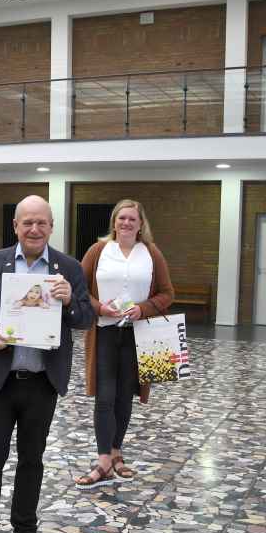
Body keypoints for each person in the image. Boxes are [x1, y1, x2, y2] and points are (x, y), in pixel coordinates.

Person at [0, 195, 92, 533]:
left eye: (41, 223)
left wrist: (69, 303)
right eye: (27, 222)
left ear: (51, 226)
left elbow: (86, 318)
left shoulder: (69, 268)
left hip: (41, 383)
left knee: (32, 460)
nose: (34, 229)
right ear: (15, 226)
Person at [76, 199, 174, 488]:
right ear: (114, 222)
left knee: (124, 396)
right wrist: (99, 307)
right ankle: (104, 460)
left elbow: (167, 293)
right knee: (105, 396)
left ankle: (117, 452)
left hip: (138, 335)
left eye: (132, 219)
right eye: (122, 218)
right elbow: (80, 289)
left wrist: (143, 309)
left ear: (141, 223)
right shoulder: (98, 250)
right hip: (105, 332)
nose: (127, 223)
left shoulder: (151, 253)